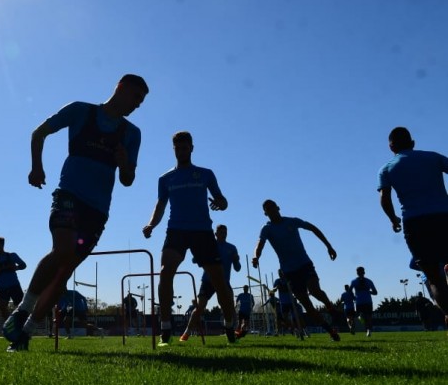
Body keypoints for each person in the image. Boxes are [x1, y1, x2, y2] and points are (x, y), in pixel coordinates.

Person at [3, 74, 149, 352]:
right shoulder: (81, 111)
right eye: (135, 97)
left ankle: (26, 333)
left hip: (98, 210)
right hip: (69, 196)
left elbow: (128, 180)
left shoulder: (132, 134)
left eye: (141, 103)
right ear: (119, 88)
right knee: (63, 250)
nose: (136, 105)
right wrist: (36, 167)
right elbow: (38, 133)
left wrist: (123, 164)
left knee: (65, 271)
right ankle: (23, 309)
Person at [143, 131, 238, 346]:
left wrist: (220, 203)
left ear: (192, 149)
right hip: (176, 230)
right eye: (178, 148)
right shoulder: (165, 178)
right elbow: (160, 205)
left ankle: (230, 323)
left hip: (202, 231)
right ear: (173, 150)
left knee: (219, 281)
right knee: (166, 272)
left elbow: (222, 201)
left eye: (185, 147)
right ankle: (166, 326)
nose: (181, 151)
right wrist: (151, 224)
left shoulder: (205, 174)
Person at [378, 126, 448, 322]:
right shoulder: (433, 157)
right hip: (443, 216)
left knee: (432, 276)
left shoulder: (387, 168)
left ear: (391, 146)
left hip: (415, 223)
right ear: (412, 142)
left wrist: (393, 219)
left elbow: (385, 197)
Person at [252, 200, 342, 341]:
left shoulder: (291, 222)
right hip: (289, 272)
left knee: (314, 290)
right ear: (265, 213)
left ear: (278, 207)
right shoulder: (267, 229)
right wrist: (256, 256)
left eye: (272, 207)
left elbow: (312, 228)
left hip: (304, 264)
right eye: (267, 209)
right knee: (307, 304)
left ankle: (330, 307)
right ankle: (331, 332)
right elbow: (260, 243)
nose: (271, 210)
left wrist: (328, 246)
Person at [180, 224, 241, 341]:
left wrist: (237, 260)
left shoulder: (231, 248)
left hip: (224, 281)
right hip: (208, 280)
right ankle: (186, 332)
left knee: (228, 306)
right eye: (221, 232)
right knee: (200, 306)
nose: (223, 234)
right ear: (216, 234)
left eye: (225, 232)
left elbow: (238, 268)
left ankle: (232, 330)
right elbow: (195, 260)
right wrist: (200, 254)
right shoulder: (210, 245)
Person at [0, 236, 27, 319]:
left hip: (14, 285)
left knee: (21, 308)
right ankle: (9, 325)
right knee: (2, 307)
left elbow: (23, 265)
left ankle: (22, 326)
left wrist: (16, 267)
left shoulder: (12, 256)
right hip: (2, 288)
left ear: (2, 244)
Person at [350, 266, 378, 337]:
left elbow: (375, 292)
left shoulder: (357, 281)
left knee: (364, 317)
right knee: (364, 317)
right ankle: (368, 329)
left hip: (363, 302)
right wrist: (368, 292)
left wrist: (368, 292)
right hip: (363, 302)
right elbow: (375, 292)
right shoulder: (357, 281)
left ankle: (368, 330)